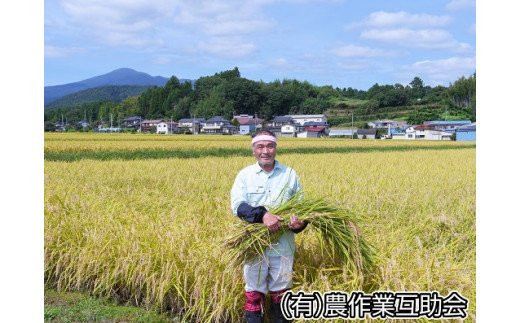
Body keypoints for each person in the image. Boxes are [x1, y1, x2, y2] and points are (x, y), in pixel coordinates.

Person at [230, 130, 308, 323]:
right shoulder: (245, 176)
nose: (266, 151)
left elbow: (302, 209)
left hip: (283, 247)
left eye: (270, 146)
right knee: (254, 293)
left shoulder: (290, 174)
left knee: (281, 293)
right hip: (254, 247)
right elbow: (238, 206)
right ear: (253, 150)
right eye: (260, 146)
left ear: (276, 148)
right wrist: (263, 215)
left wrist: (299, 224)